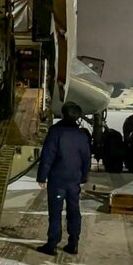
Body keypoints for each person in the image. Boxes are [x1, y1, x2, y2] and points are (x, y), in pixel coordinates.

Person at [36, 101, 91, 256]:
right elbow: (86, 158)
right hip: (74, 180)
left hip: (58, 180)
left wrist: (42, 176)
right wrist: (84, 176)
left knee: (55, 212)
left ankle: (52, 244)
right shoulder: (82, 134)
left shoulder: (55, 132)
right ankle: (73, 243)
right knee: (74, 211)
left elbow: (48, 156)